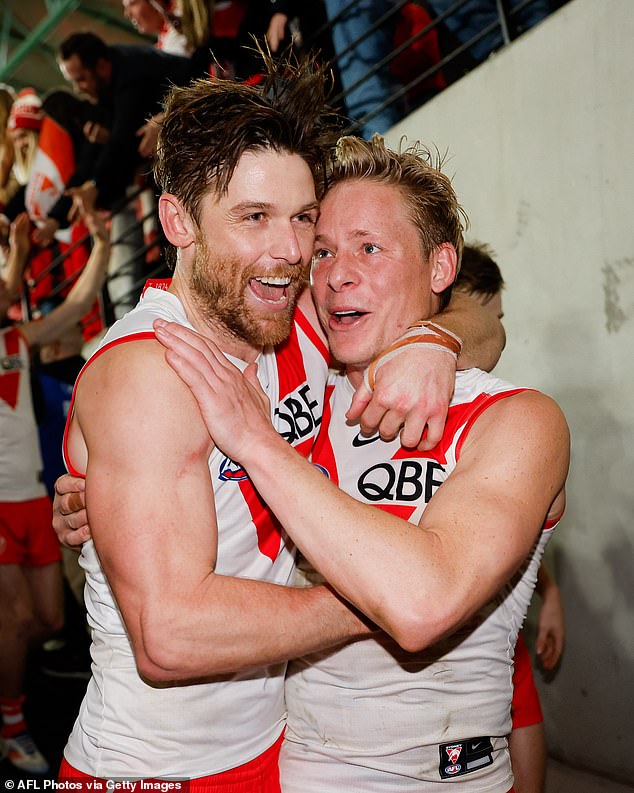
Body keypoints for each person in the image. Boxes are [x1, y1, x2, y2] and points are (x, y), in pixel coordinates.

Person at [54, 54, 503, 787]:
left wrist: (436, 343)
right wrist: (388, 597)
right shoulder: (151, 372)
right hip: (156, 767)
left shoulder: (290, 318)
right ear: (178, 220)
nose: (291, 253)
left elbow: (479, 320)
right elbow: (168, 634)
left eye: (301, 218)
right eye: (254, 218)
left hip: (276, 747)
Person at [148, 135, 569, 791]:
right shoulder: (291, 401)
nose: (336, 273)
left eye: (369, 248)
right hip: (297, 768)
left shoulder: (517, 418)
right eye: (322, 252)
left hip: (456, 775)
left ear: (440, 267)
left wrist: (256, 441)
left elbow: (424, 603)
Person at [0, 210, 110, 774]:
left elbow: (76, 304)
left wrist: (102, 244)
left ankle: (8, 689)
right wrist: (17, 247)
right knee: (17, 621)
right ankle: (13, 723)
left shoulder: (18, 336)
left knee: (46, 621)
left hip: (32, 497)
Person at [455, 241, 566, 793]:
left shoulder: (509, 414)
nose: (498, 334)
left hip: (483, 612)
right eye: (490, 316)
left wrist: (552, 596)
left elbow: (506, 529)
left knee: (518, 696)